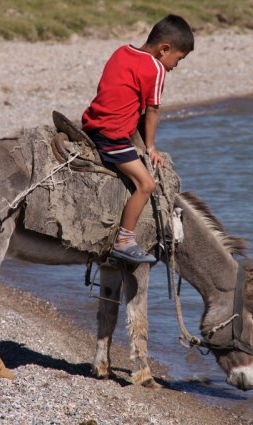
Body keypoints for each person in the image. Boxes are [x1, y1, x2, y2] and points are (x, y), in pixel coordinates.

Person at [81, 14, 194, 264]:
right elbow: (153, 110)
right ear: (164, 49)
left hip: (92, 123)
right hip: (112, 136)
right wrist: (151, 147)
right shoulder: (155, 69)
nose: (176, 65)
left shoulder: (121, 51)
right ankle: (124, 240)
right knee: (146, 185)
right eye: (178, 59)